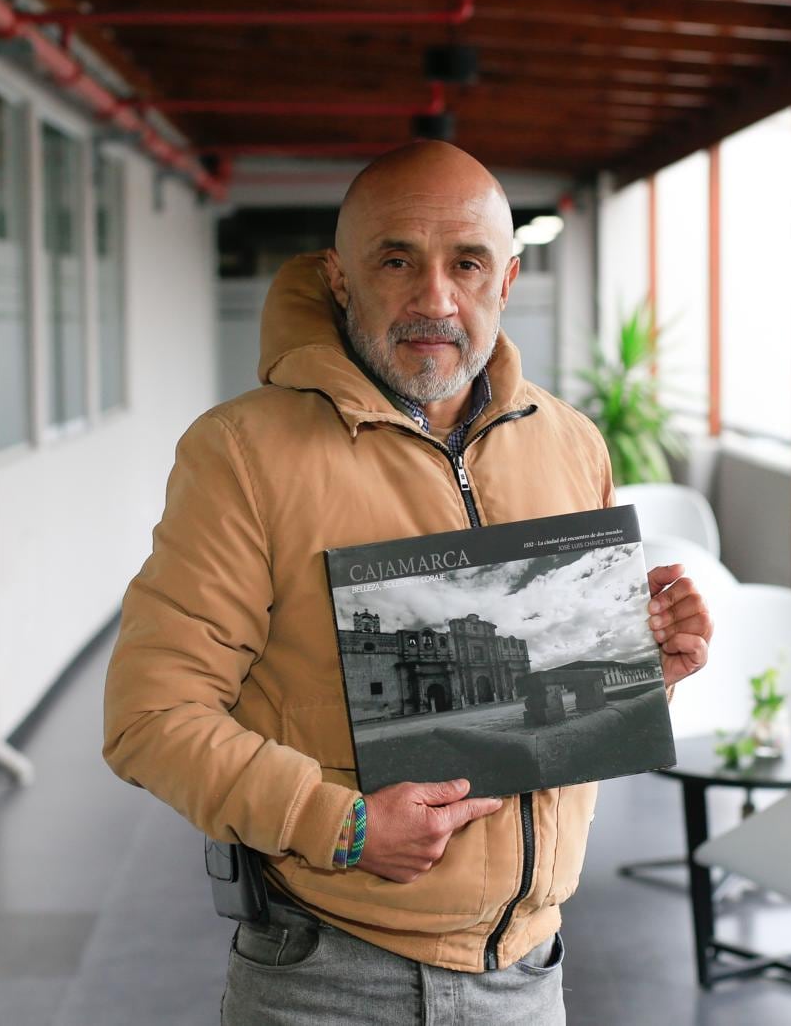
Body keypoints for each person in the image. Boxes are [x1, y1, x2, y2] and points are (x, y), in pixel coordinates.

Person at [102, 140, 712, 1025]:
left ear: (505, 281)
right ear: (340, 279)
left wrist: (641, 667)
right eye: (397, 259)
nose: (435, 297)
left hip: (531, 973)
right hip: (331, 978)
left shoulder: (570, 442)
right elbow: (149, 716)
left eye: (466, 263)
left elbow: (543, 704)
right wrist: (340, 824)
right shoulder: (242, 452)